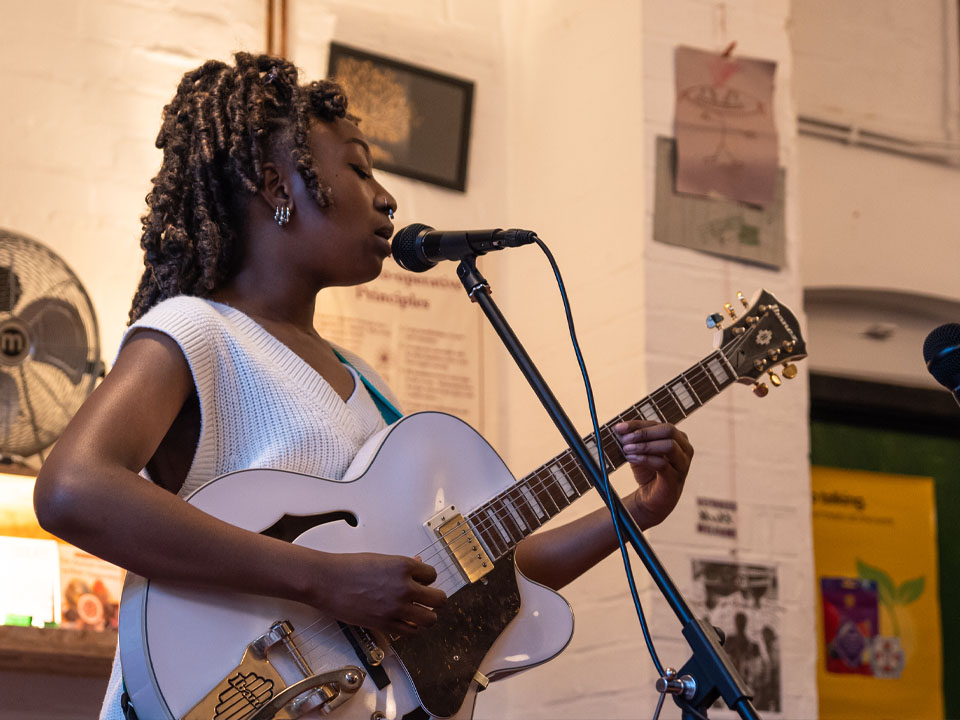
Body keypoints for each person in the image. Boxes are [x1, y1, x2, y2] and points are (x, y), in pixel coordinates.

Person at [33, 53, 694, 719]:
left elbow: (471, 568)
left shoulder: (361, 383)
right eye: (358, 166)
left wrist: (633, 512)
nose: (386, 197)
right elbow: (72, 489)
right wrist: (322, 581)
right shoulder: (198, 331)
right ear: (275, 185)